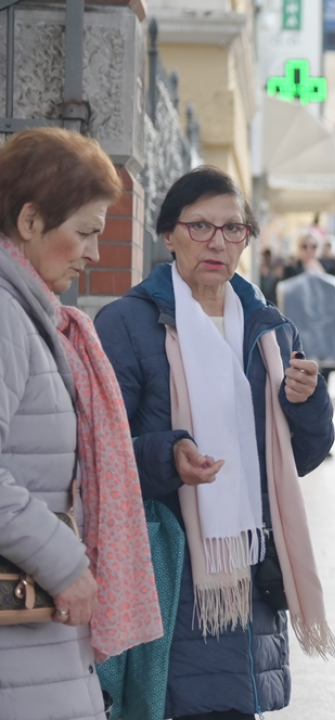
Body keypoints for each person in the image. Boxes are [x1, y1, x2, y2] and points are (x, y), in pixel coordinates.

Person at [94, 167, 335, 719]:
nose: (217, 242)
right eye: (200, 226)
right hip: (170, 569)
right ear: (168, 234)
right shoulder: (129, 324)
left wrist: (307, 402)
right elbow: (99, 450)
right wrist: (170, 457)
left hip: (249, 571)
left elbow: (299, 458)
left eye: (233, 229)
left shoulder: (270, 328)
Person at [0, 128, 161, 718]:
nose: (95, 253)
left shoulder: (31, 314)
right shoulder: (6, 316)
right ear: (31, 220)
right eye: (87, 232)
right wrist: (66, 564)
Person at [277, 232, 335, 385]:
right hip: (298, 334)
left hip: (324, 338)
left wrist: (320, 275)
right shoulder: (290, 270)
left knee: (322, 382)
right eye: (305, 246)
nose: (309, 250)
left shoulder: (330, 269)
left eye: (313, 246)